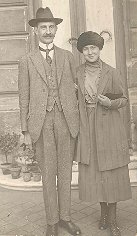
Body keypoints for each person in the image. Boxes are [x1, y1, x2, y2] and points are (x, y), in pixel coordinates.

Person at [18, 7, 81, 236]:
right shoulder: (26, 60)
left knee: (65, 172)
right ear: (35, 30)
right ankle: (52, 221)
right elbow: (23, 95)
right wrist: (25, 129)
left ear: (56, 29)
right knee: (48, 174)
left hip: (66, 120)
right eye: (43, 27)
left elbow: (77, 89)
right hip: (41, 122)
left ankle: (65, 218)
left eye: (51, 27)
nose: (47, 31)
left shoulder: (68, 57)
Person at [75, 31, 132, 236]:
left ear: (100, 49)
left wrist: (110, 102)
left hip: (109, 127)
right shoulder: (77, 72)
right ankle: (103, 216)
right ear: (82, 51)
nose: (90, 52)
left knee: (112, 173)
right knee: (97, 172)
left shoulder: (112, 72)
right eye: (86, 49)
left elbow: (124, 100)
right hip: (88, 127)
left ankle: (114, 220)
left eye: (94, 48)